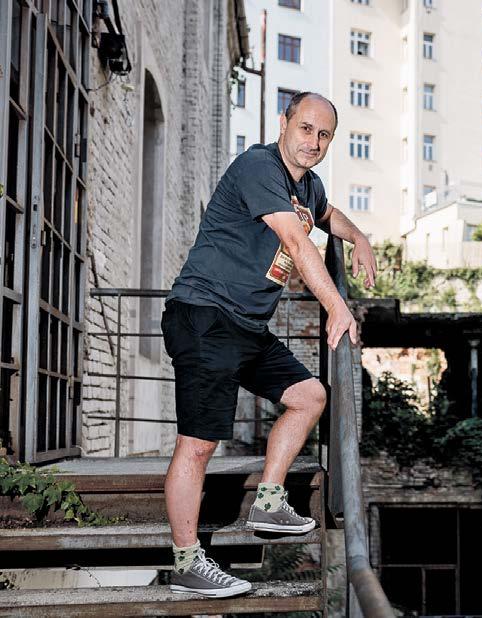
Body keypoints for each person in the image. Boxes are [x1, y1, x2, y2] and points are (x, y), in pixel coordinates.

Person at [161, 91, 377, 597]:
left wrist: (360, 237)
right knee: (198, 444)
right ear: (284, 123)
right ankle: (186, 563)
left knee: (309, 395)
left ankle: (269, 500)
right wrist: (336, 306)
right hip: (205, 314)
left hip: (245, 326)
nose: (313, 142)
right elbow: (298, 242)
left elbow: (327, 216)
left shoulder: (308, 186)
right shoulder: (258, 167)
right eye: (306, 128)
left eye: (324, 135)